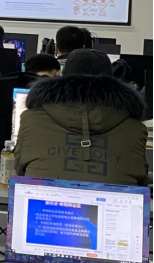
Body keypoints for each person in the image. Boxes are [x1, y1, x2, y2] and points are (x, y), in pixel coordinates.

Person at [15, 49, 148, 187]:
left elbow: (20, 172)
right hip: (114, 200)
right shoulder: (135, 129)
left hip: (44, 199)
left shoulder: (31, 119)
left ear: (62, 77)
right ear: (112, 81)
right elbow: (141, 182)